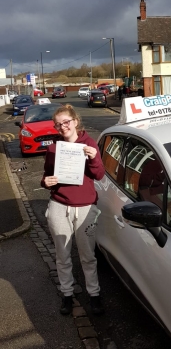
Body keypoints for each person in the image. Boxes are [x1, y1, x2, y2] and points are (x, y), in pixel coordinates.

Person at [41, 104, 105, 316]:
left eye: (66, 122)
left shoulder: (89, 144)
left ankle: (94, 294)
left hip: (85, 208)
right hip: (59, 206)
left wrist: (94, 157)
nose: (62, 127)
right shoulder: (53, 148)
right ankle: (67, 294)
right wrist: (45, 181)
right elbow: (47, 175)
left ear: (75, 121)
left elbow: (99, 175)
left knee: (88, 256)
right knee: (63, 255)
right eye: (58, 124)